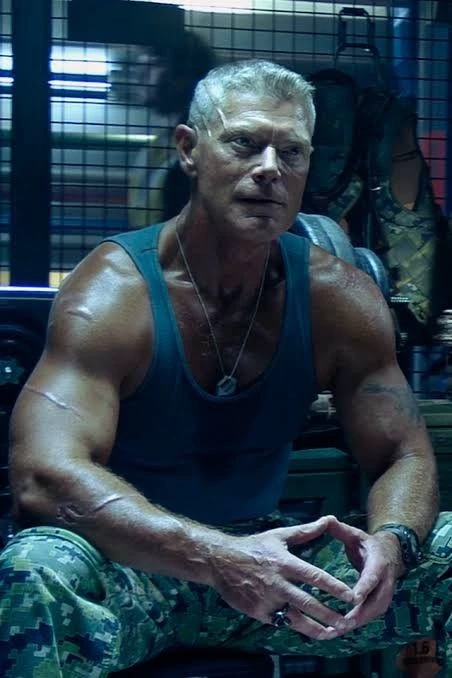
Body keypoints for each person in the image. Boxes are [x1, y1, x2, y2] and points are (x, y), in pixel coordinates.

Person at [1, 59, 451, 677]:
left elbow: (403, 453)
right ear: (189, 150)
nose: (270, 169)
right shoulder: (113, 295)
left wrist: (393, 544)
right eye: (244, 143)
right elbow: (42, 480)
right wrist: (219, 558)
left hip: (273, 569)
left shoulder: (339, 298)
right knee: (36, 569)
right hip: (133, 569)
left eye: (291, 152)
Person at [126, 31, 216, 227]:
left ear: (182, 76)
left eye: (155, 63)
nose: (140, 75)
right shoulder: (162, 144)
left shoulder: (199, 150)